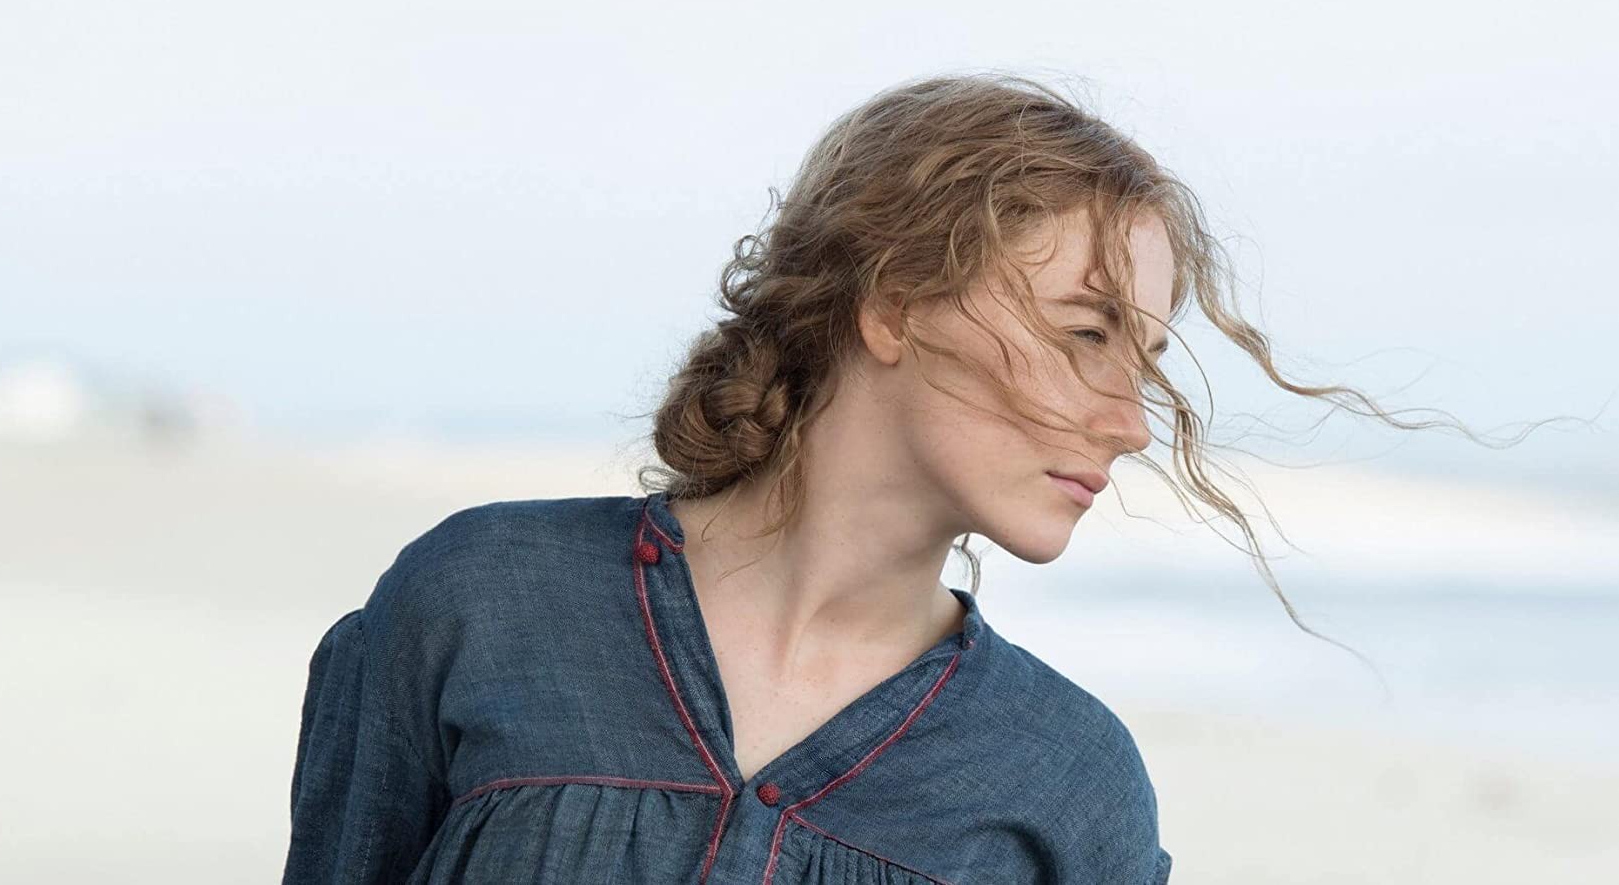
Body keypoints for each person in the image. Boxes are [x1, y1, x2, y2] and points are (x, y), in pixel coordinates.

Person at [285, 70, 1217, 884]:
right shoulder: (484, 601)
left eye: (1141, 363)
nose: (1129, 422)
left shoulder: (1069, 783)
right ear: (893, 306)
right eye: (1084, 334)